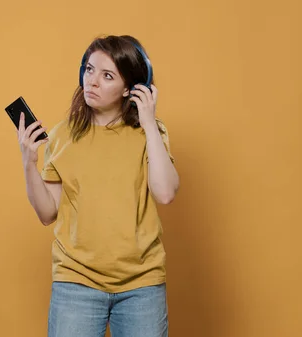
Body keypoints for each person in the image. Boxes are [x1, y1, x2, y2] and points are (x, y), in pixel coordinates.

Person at [16, 34, 179, 337]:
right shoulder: (63, 135)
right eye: (89, 70)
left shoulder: (150, 133)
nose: (91, 81)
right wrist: (29, 163)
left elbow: (166, 192)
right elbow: (46, 212)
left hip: (141, 284)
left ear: (130, 87)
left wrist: (148, 121)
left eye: (107, 76)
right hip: (75, 282)